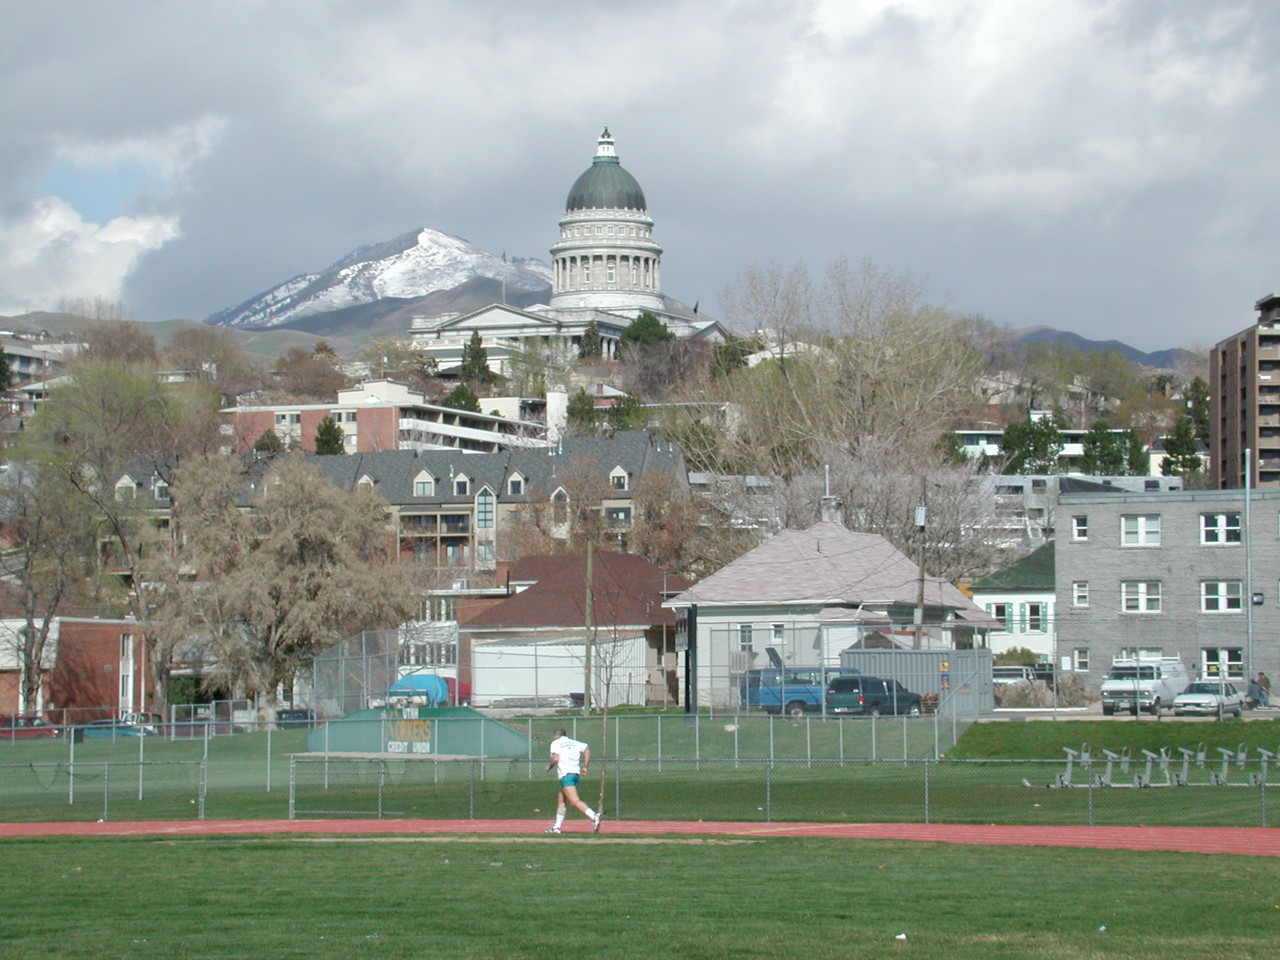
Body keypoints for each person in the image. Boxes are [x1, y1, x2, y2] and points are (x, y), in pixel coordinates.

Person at [544, 727, 602, 834]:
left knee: (574, 801)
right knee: (561, 799)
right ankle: (556, 828)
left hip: (566, 774)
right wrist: (585, 767)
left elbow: (555, 758)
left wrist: (549, 767)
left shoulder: (555, 743)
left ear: (556, 735)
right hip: (575, 774)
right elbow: (587, 749)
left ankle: (594, 816)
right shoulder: (574, 742)